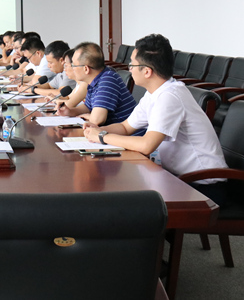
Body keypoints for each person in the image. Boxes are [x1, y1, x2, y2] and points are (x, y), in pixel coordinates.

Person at [83, 34, 228, 203]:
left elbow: (147, 145)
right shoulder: (154, 93)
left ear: (147, 71)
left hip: (203, 186)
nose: (129, 69)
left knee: (123, 199)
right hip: (177, 177)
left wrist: (102, 137)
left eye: (132, 65)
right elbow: (125, 127)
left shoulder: (170, 96)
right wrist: (97, 130)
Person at [56, 42, 136, 126]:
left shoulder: (108, 80)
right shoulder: (94, 80)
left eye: (74, 65)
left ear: (86, 69)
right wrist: (69, 111)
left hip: (124, 133)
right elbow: (87, 107)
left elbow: (97, 120)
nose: (72, 68)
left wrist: (89, 116)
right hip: (110, 131)